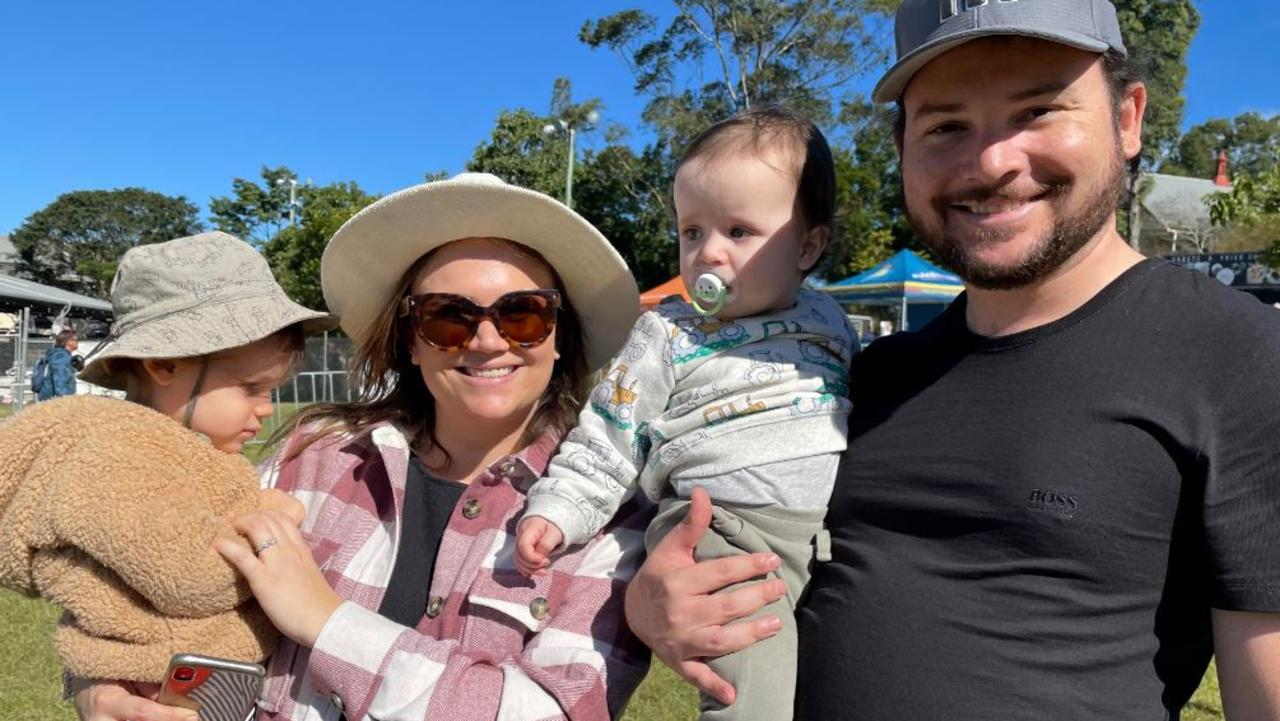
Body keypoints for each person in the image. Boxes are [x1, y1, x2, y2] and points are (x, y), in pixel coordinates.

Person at [624, 1, 1280, 719]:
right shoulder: (857, 377)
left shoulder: (1234, 353)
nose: (992, 162)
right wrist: (649, 599)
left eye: (1036, 111)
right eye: (946, 126)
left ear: (1128, 119)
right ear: (903, 147)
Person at [77, 173, 651, 721]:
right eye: (447, 317)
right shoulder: (315, 455)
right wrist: (97, 687)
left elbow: (560, 710)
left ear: (560, 337)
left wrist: (328, 623)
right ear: (409, 341)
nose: (485, 340)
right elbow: (166, 582)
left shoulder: (614, 513)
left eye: (523, 314)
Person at [516, 107, 853, 721]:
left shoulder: (829, 319)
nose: (707, 253)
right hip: (721, 534)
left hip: (819, 541)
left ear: (807, 245)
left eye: (739, 232)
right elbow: (609, 436)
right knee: (749, 700)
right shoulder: (667, 334)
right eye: (692, 231)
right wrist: (559, 509)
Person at [0, 231, 327, 684]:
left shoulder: (182, 451)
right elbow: (191, 577)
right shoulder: (118, 456)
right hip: (161, 682)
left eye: (272, 391)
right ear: (166, 365)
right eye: (251, 388)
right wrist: (271, 518)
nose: (266, 407)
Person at [35, 328, 79, 400]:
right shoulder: (61, 356)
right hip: (55, 402)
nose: (77, 342)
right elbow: (59, 380)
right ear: (67, 342)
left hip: (51, 400)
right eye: (75, 340)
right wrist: (65, 400)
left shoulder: (60, 355)